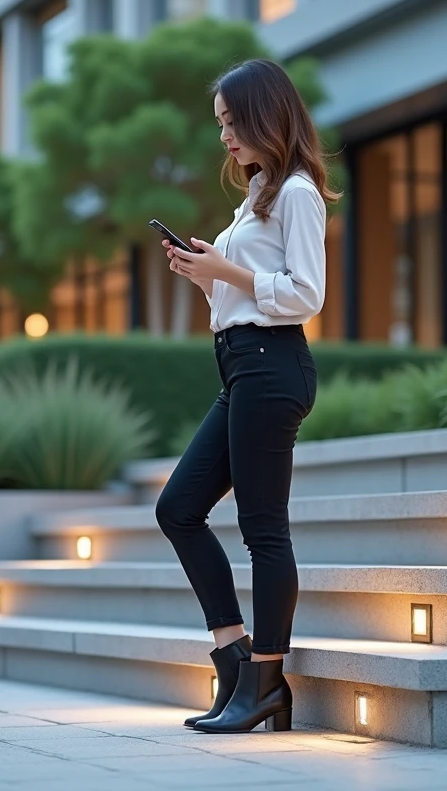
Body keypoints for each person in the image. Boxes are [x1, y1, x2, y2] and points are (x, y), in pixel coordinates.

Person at [155, 58, 340, 735]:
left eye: (233, 121)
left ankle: (266, 681)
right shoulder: (258, 192)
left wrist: (227, 270)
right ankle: (234, 659)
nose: (225, 136)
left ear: (266, 115)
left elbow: (305, 296)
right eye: (221, 124)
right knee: (178, 509)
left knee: (264, 529)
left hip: (272, 367)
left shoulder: (297, 192)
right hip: (240, 366)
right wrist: (205, 274)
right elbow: (244, 295)